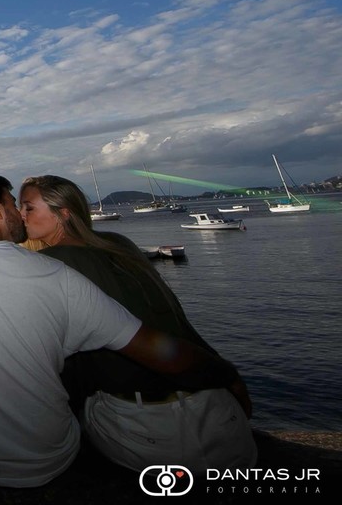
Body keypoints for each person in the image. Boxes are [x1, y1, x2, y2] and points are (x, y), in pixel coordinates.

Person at [0, 172, 243, 488]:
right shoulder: (60, 276)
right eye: (15, 203)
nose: (19, 212)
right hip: (45, 462)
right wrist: (226, 374)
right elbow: (162, 352)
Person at [17, 174, 257, 473]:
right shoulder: (118, 244)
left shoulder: (49, 265)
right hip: (218, 413)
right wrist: (229, 376)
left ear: (63, 213)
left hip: (146, 428)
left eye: (28, 208)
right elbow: (176, 321)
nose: (20, 215)